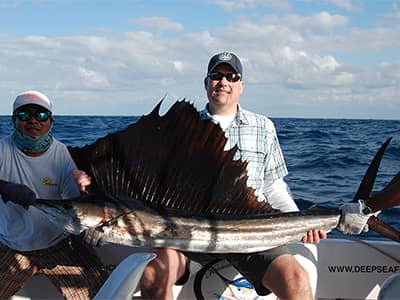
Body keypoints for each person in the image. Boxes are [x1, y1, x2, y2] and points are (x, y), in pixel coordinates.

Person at [139, 52, 329, 300]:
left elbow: (273, 186)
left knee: (296, 278)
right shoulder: (182, 128)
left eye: (231, 76)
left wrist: (298, 223)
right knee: (154, 275)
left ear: (241, 85)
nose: (223, 82)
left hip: (252, 234)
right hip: (191, 236)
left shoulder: (263, 127)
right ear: (206, 83)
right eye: (216, 76)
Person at [0, 90, 108, 299]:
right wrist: (4, 187)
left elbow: (74, 204)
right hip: (11, 246)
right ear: (13, 120)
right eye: (24, 115)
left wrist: (92, 228)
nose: (33, 120)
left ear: (51, 121)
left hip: (60, 245)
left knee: (102, 294)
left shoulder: (61, 153)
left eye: (41, 115)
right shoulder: (2, 150)